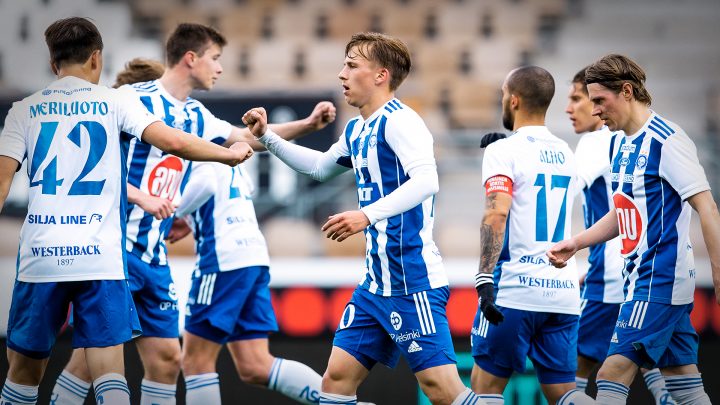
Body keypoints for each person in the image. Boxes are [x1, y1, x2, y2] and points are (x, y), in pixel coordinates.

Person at [49, 23, 336, 405]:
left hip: (153, 256)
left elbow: (249, 136)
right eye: (215, 59)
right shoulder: (130, 98)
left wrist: (306, 125)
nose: (219, 69)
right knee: (92, 360)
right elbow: (90, 166)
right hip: (117, 251)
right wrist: (141, 197)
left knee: (167, 360)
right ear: (191, 58)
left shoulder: (196, 114)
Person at [0, 17, 251, 405]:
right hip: (101, 259)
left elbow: (2, 183)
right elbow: (173, 142)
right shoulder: (118, 101)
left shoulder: (23, 110)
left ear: (53, 64)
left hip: (41, 258)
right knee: (110, 374)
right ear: (96, 59)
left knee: (23, 374)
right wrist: (227, 156)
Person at [242, 31, 488, 405]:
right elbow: (321, 169)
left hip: (413, 283)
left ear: (380, 75)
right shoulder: (358, 128)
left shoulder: (402, 122)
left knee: (443, 392)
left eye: (352, 65)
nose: (342, 74)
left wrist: (365, 216)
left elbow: (427, 181)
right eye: (344, 64)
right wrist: (268, 138)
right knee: (335, 382)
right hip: (375, 286)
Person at [549, 54, 720, 405]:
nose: (595, 111)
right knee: (683, 383)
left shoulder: (668, 140)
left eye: (599, 100)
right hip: (639, 278)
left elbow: (708, 208)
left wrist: (719, 276)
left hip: (658, 280)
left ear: (626, 91)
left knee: (612, 373)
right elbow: (620, 213)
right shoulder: (618, 143)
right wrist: (576, 243)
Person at [468, 66, 581, 405]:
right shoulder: (566, 151)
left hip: (515, 290)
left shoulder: (502, 151)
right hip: (563, 293)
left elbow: (496, 213)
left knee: (484, 388)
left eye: (504, 95)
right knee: (563, 393)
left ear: (513, 100)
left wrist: (485, 276)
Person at [567, 66, 674, 404]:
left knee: (569, 372)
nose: (569, 108)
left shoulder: (595, 142)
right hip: (634, 271)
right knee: (639, 354)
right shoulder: (629, 141)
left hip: (611, 277)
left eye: (577, 98)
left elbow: (556, 193)